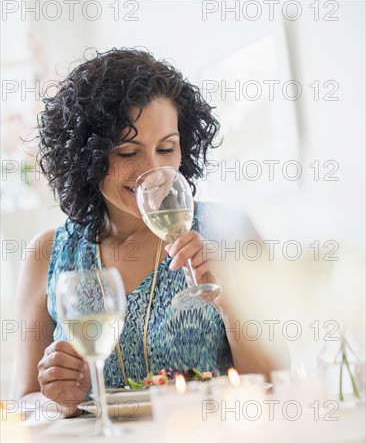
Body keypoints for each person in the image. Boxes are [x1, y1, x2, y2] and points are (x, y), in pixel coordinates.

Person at [12, 48, 289, 417]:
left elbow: (276, 383)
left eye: (166, 148)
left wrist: (232, 302)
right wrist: (58, 400)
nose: (152, 171)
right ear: (88, 155)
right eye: (128, 152)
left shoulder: (230, 233)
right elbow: (23, 402)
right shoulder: (48, 254)